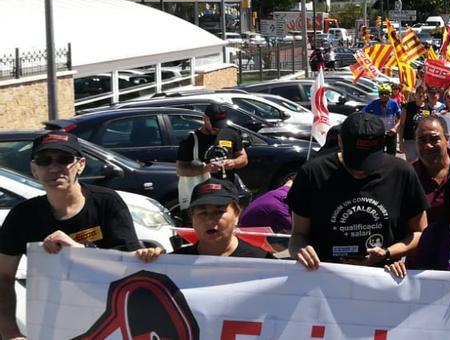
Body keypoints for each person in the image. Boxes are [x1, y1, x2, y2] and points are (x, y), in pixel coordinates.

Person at [1, 132, 141, 340]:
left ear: (81, 165)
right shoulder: (23, 216)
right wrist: (10, 333)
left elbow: (132, 266)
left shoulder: (106, 203)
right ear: (34, 169)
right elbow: (2, 277)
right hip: (52, 323)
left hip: (109, 320)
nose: (54, 167)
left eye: (64, 159)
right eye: (44, 160)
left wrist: (80, 252)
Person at [287, 112, 428, 270]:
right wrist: (300, 251)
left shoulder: (402, 173)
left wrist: (387, 253)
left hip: (382, 278)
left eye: (369, 162)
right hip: (324, 276)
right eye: (355, 160)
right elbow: (298, 235)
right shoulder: (313, 174)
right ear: (340, 142)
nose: (361, 171)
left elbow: (419, 232)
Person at [137, 178, 273, 260]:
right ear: (192, 218)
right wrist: (149, 261)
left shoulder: (262, 261)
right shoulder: (176, 262)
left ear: (237, 214)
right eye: (202, 213)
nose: (210, 220)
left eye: (219, 212)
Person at [175, 103, 249, 211]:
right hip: (203, 195)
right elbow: (180, 170)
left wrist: (233, 163)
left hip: (227, 191)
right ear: (205, 119)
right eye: (214, 125)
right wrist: (205, 169)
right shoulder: (190, 140)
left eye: (221, 125)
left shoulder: (231, 134)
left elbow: (244, 158)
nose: (218, 129)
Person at [363, 84, 403, 155]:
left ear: (390, 94)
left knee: (391, 156)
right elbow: (363, 114)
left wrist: (395, 128)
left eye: (386, 93)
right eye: (382, 93)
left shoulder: (393, 103)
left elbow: (401, 118)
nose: (384, 95)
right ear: (379, 94)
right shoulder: (373, 104)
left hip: (391, 133)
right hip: (378, 134)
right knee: (377, 155)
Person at [400, 85, 427, 162]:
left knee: (423, 163)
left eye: (423, 93)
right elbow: (401, 125)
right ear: (415, 94)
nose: (421, 94)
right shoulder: (407, 107)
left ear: (426, 95)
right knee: (412, 163)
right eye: (419, 93)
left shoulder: (429, 108)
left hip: (424, 141)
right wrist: (401, 142)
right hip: (410, 140)